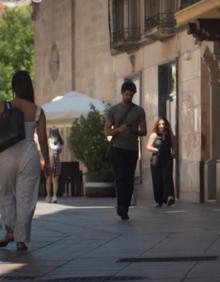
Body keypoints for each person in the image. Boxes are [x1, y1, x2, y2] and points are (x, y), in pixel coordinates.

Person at [0, 70, 51, 251]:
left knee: (4, 193)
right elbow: (43, 140)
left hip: (6, 153)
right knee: (26, 197)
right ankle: (20, 239)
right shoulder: (37, 110)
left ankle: (10, 230)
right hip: (29, 153)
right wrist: (47, 163)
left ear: (13, 87)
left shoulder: (4, 105)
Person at [104, 80, 147, 220]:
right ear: (122, 93)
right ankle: (120, 205)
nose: (129, 97)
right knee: (121, 176)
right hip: (118, 148)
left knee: (129, 179)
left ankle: (126, 207)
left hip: (132, 149)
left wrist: (134, 130)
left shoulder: (139, 111)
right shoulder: (113, 110)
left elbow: (144, 131)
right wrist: (119, 129)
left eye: (131, 95)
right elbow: (106, 131)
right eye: (127, 94)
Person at [146, 117, 176, 207]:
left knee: (167, 177)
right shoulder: (154, 135)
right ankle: (158, 200)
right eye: (160, 124)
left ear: (166, 125)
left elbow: (174, 147)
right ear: (157, 125)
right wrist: (155, 149)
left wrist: (174, 152)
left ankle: (169, 197)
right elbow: (148, 146)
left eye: (163, 124)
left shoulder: (170, 135)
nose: (162, 126)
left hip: (167, 158)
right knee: (157, 179)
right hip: (156, 159)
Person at [45, 127, 64, 203]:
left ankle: (48, 196)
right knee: (55, 180)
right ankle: (54, 196)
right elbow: (60, 151)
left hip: (49, 160)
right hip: (57, 160)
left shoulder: (48, 140)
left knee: (48, 180)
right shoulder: (60, 141)